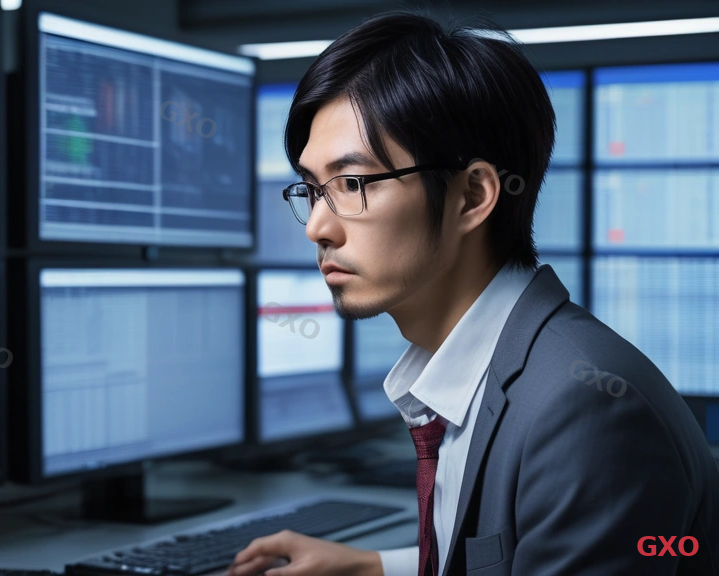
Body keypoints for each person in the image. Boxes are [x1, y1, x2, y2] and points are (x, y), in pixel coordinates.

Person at [227, 10, 719, 576]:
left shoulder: (586, 411)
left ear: (472, 196)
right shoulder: (481, 372)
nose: (318, 226)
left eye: (353, 184)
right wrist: (373, 567)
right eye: (313, 190)